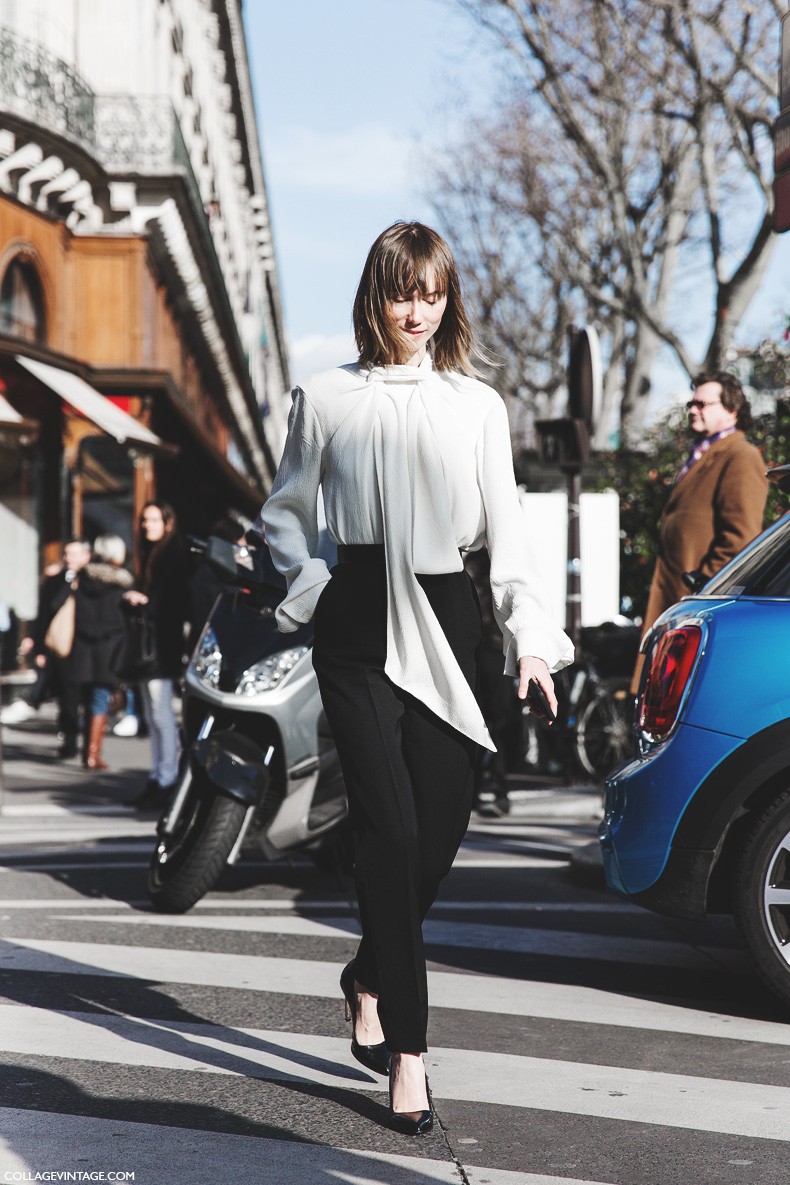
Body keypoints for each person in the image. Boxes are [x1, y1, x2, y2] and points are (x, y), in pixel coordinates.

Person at [259, 221, 573, 1134]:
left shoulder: (478, 406)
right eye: (404, 292)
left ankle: (364, 972)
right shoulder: (324, 398)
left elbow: (506, 538)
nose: (418, 310)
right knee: (390, 836)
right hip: (356, 624)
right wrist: (317, 592)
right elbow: (286, 514)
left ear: (449, 299)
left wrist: (531, 640)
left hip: (448, 618)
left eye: (433, 293)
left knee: (437, 834)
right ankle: (409, 1052)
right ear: (377, 296)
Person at [631, 371, 768, 693]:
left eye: (703, 403)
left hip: (698, 607)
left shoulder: (741, 455)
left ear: (732, 410)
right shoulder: (703, 452)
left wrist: (701, 589)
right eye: (691, 403)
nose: (693, 409)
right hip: (681, 604)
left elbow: (741, 538)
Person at [124, 501, 189, 808]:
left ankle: (167, 778)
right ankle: (158, 775)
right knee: (152, 714)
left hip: (161, 646)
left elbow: (171, 604)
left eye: (152, 520)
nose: (146, 525)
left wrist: (141, 601)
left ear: (167, 522)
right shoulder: (154, 554)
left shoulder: (173, 555)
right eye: (144, 520)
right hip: (151, 645)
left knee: (161, 713)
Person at [1, 539, 92, 754]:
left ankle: (83, 742)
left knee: (78, 696)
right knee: (64, 693)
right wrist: (37, 644)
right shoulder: (55, 581)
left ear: (86, 557)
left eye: (75, 554)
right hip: (58, 645)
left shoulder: (92, 582)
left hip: (82, 646)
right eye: (67, 553)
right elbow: (44, 614)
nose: (70, 558)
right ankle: (68, 739)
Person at [69, 534, 133, 770]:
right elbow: (119, 621)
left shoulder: (83, 578)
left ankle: (88, 750)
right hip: (109, 649)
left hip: (84, 648)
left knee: (89, 699)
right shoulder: (120, 583)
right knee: (99, 700)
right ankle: (92, 754)